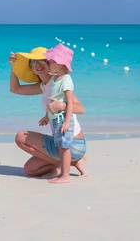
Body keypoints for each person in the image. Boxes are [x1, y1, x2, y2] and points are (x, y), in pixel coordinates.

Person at [9, 46, 88, 180]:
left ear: (51, 63)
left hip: (73, 143)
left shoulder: (59, 82)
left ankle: (68, 163)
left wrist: (62, 105)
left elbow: (81, 108)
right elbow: (15, 89)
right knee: (31, 169)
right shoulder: (44, 87)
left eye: (42, 61)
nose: (38, 65)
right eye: (33, 63)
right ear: (31, 68)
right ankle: (64, 164)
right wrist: (15, 66)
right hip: (60, 144)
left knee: (21, 137)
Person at [41, 44, 78, 183]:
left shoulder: (66, 80)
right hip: (55, 118)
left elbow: (70, 103)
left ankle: (65, 176)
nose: (47, 64)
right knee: (60, 146)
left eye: (50, 62)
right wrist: (46, 117)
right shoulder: (55, 80)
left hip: (62, 119)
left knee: (64, 147)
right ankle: (63, 172)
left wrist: (67, 121)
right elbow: (53, 100)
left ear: (60, 64)